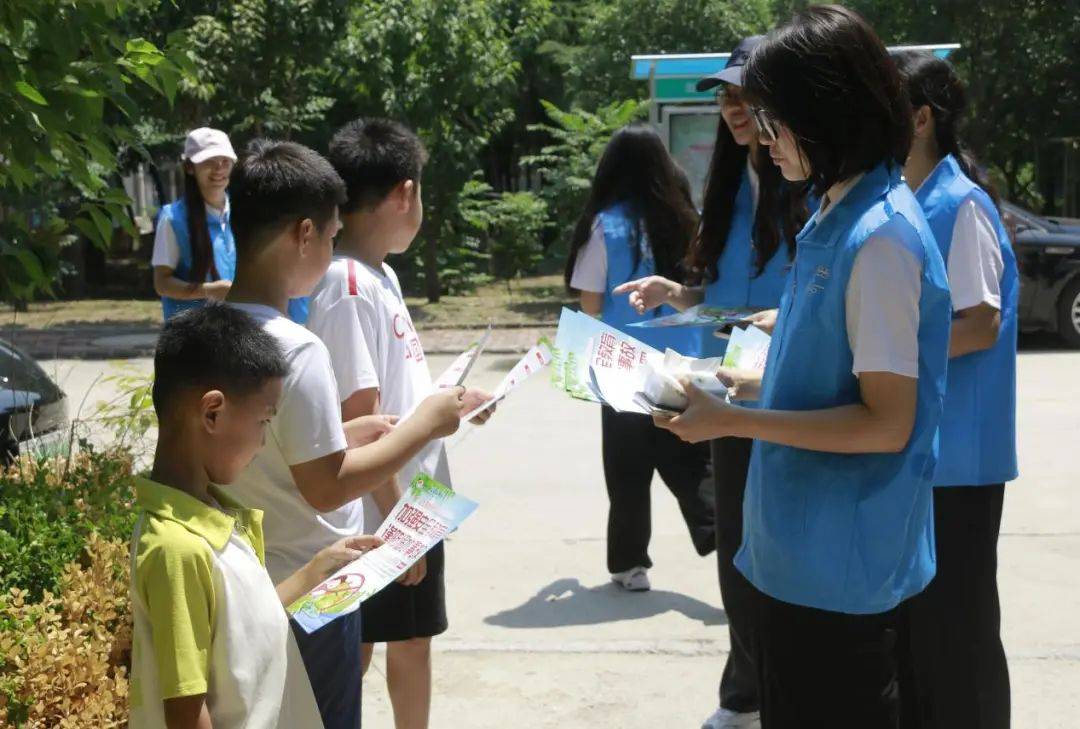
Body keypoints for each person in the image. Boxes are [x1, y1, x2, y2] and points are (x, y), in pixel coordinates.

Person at [655, 6, 952, 727]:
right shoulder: (834, 211)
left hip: (837, 573)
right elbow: (837, 365)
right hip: (797, 557)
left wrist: (734, 417)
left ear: (824, 112)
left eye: (770, 115)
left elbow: (887, 422)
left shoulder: (880, 239)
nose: (759, 133)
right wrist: (756, 386)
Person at [221, 138, 465, 729]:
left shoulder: (208, 333)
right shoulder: (297, 348)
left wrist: (346, 430)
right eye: (330, 237)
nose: (334, 251)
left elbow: (257, 448)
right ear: (304, 235)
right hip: (313, 576)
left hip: (247, 578)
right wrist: (425, 425)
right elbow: (328, 487)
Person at [615, 35, 808, 729]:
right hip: (724, 390)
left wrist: (783, 317)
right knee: (735, 551)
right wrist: (676, 292)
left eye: (742, 93)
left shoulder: (811, 186)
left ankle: (765, 691)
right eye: (723, 95)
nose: (731, 108)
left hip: (789, 395)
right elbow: (720, 297)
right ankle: (745, 692)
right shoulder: (728, 185)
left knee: (781, 548)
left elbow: (825, 293)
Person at [307, 118, 494, 729]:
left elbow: (396, 393)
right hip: (384, 511)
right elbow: (359, 416)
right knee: (370, 647)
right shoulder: (348, 282)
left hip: (407, 501)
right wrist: (394, 527)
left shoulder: (378, 274)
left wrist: (460, 398)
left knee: (398, 639)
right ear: (405, 192)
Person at [129, 304, 384, 729]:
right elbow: (187, 714)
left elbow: (244, 630)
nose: (264, 442)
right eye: (264, 421)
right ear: (212, 413)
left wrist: (318, 569)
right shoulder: (177, 549)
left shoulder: (211, 514)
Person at [894, 51, 1018, 729]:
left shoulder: (959, 203)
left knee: (959, 635)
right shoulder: (914, 200)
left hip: (961, 462)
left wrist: (883, 349)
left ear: (918, 119)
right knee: (921, 635)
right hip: (923, 454)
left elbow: (980, 323)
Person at [566, 123, 717, 593]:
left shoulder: (605, 224)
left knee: (628, 468)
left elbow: (590, 303)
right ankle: (721, 532)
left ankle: (631, 565)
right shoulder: (689, 217)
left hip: (622, 366)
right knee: (691, 459)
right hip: (682, 360)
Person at [151, 127, 310, 324]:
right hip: (194, 333)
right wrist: (209, 291)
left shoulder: (246, 210)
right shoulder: (172, 218)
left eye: (225, 162)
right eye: (209, 161)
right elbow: (162, 283)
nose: (219, 168)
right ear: (190, 167)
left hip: (241, 330)